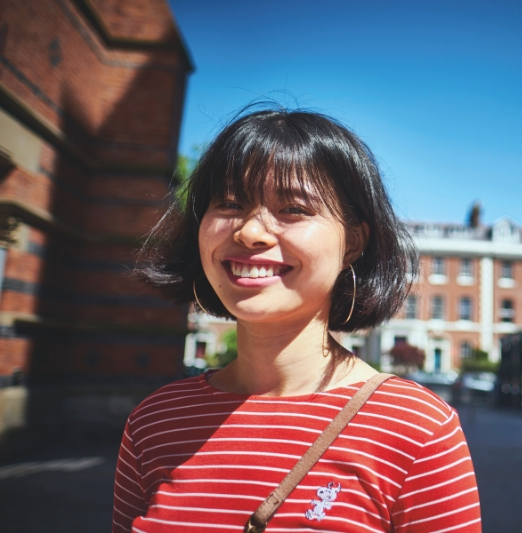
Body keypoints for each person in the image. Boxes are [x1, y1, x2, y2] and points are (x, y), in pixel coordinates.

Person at [112, 106, 482, 532]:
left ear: (353, 243)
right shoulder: (153, 422)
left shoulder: (418, 430)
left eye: (293, 208)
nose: (251, 232)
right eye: (229, 203)